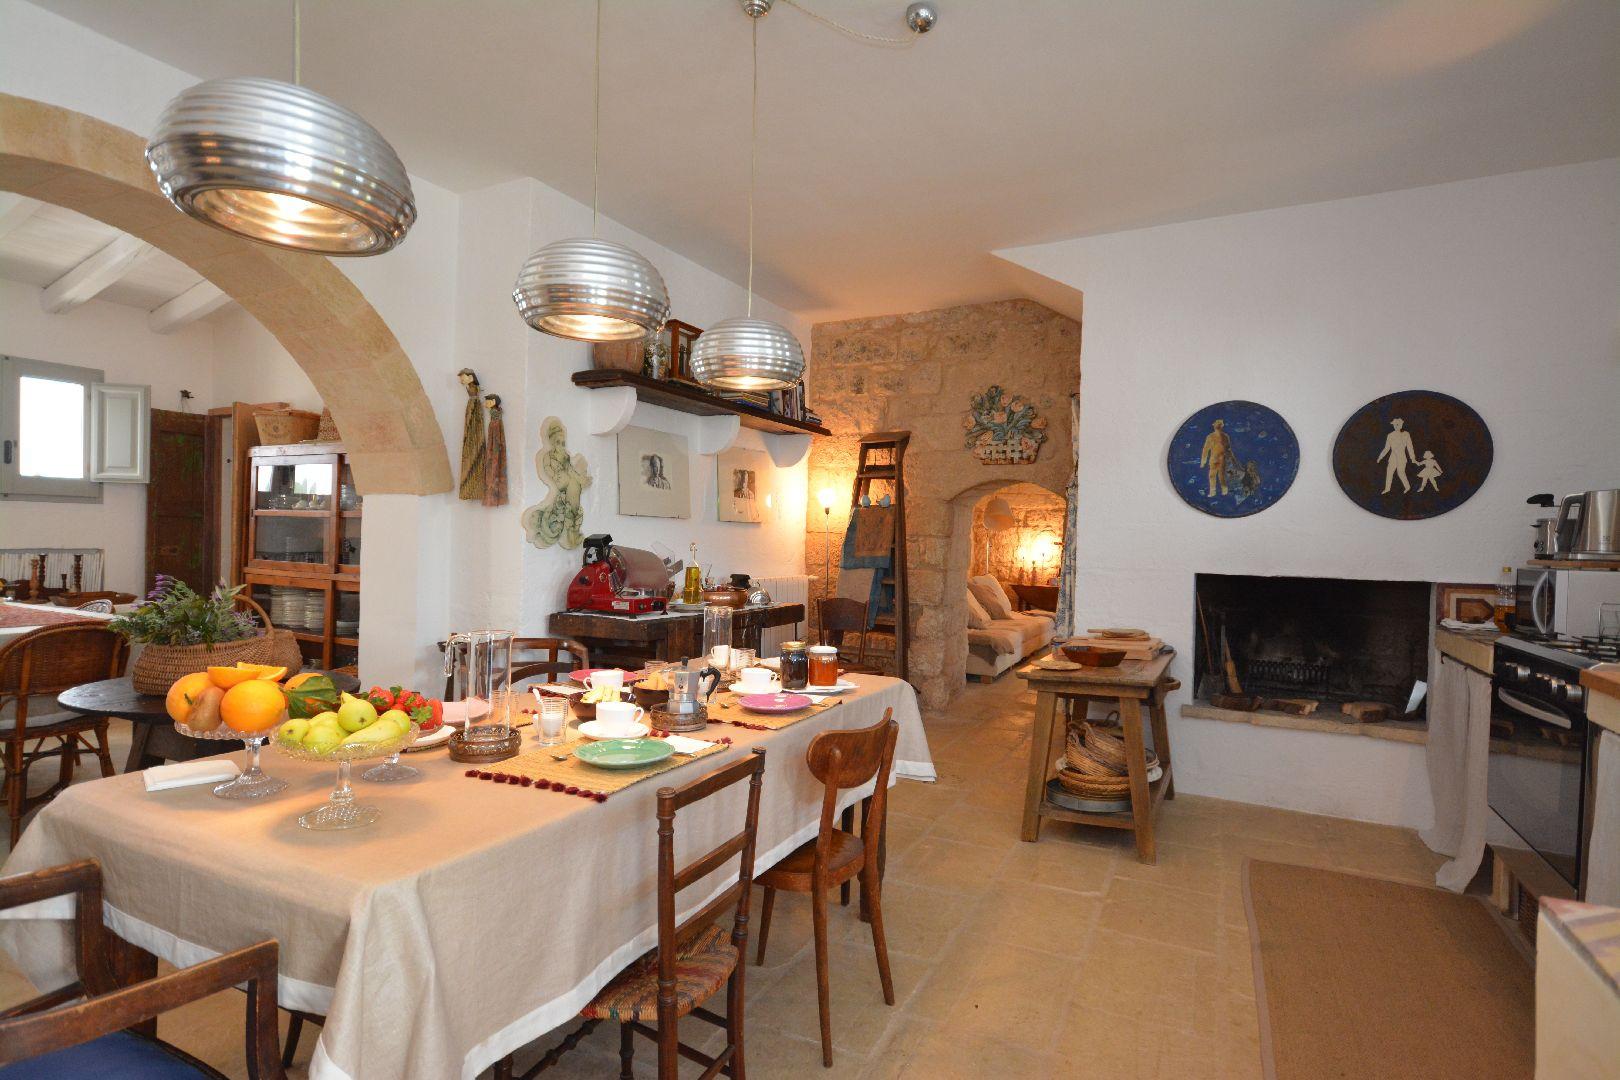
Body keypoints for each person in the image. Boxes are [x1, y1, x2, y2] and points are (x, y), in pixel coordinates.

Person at [1377, 418, 1418, 494]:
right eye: (1395, 424)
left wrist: (1413, 458)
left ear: (1401, 425)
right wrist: (1380, 457)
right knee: (1389, 472)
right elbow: (1386, 448)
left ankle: (1407, 487)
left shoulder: (1406, 434)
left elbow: (1410, 447)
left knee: (1400, 473)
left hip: (1402, 457)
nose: (1396, 426)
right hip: (1392, 457)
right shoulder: (1390, 435)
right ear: (1393, 425)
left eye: (1398, 424)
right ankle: (1387, 489)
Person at [1200, 419, 1232, 497]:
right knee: (1212, 475)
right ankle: (1213, 492)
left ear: (1221, 426)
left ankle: (1224, 491)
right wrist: (1203, 461)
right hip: (1213, 459)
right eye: (1216, 425)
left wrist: (1230, 459)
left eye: (1219, 425)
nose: (1217, 426)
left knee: (1221, 476)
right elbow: (1206, 449)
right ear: (1214, 426)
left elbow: (1228, 449)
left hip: (1222, 459)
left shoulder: (1225, 436)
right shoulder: (1210, 436)